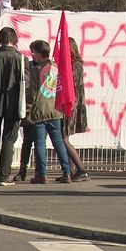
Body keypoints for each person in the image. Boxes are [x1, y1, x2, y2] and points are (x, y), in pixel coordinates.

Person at [0, 27, 29, 186]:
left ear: (0, 39)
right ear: (14, 39)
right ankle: (4, 175)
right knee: (9, 138)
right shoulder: (22, 59)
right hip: (14, 103)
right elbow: (26, 84)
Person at [26, 40, 72, 184]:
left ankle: (41, 174)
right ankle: (67, 172)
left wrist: (28, 109)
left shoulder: (36, 69)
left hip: (39, 110)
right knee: (58, 142)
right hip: (55, 108)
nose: (32, 55)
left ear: (39, 53)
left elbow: (32, 91)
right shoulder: (56, 67)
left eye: (33, 52)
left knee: (40, 143)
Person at [57, 37, 90, 182]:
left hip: (72, 105)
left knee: (63, 138)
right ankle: (69, 170)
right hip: (68, 104)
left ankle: (81, 169)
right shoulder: (71, 65)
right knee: (64, 137)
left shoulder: (76, 65)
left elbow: (69, 82)